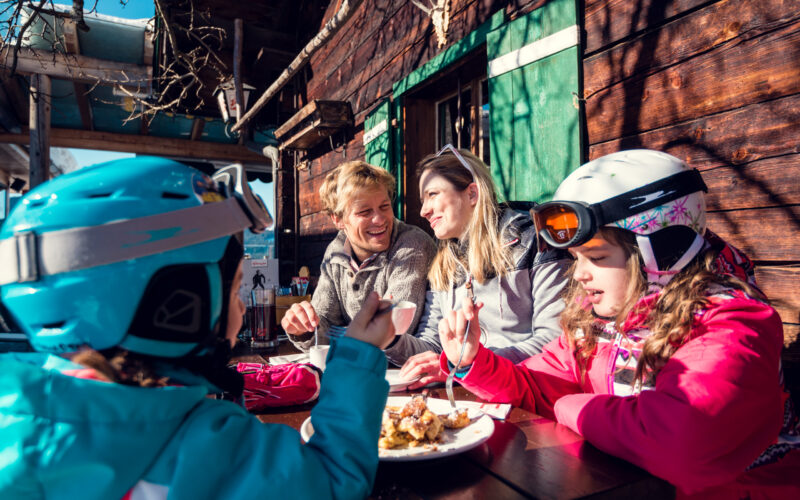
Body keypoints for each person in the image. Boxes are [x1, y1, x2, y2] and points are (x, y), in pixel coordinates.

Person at [0, 158, 397, 499]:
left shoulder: (14, 413)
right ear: (177, 304)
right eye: (236, 287)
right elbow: (331, 482)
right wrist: (361, 353)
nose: (241, 304)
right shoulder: (202, 446)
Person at [437, 150, 800, 497]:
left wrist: (570, 406)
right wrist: (475, 363)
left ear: (659, 251)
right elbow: (538, 387)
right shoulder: (597, 323)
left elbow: (682, 443)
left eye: (596, 256)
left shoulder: (730, 322)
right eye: (576, 257)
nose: (578, 273)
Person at [388, 146, 570, 387]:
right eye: (423, 200)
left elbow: (554, 339)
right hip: (467, 392)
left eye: (432, 194)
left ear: (472, 194)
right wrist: (390, 339)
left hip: (527, 392)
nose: (423, 211)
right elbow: (433, 344)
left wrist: (467, 364)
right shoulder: (444, 263)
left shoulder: (534, 241)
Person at [282, 160, 436, 351]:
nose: (379, 219)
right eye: (365, 212)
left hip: (406, 373)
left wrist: (336, 333)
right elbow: (322, 322)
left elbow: (390, 329)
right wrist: (302, 328)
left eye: (384, 206)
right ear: (338, 219)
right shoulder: (335, 252)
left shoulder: (412, 245)